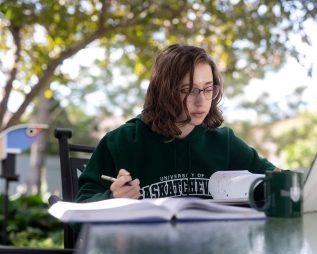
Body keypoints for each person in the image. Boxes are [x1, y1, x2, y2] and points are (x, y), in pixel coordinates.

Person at [75, 44, 280, 205]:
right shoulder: (120, 142)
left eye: (208, 89)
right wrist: (112, 201)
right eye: (187, 90)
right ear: (163, 92)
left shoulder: (224, 142)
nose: (201, 101)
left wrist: (277, 184)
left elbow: (280, 182)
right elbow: (81, 206)